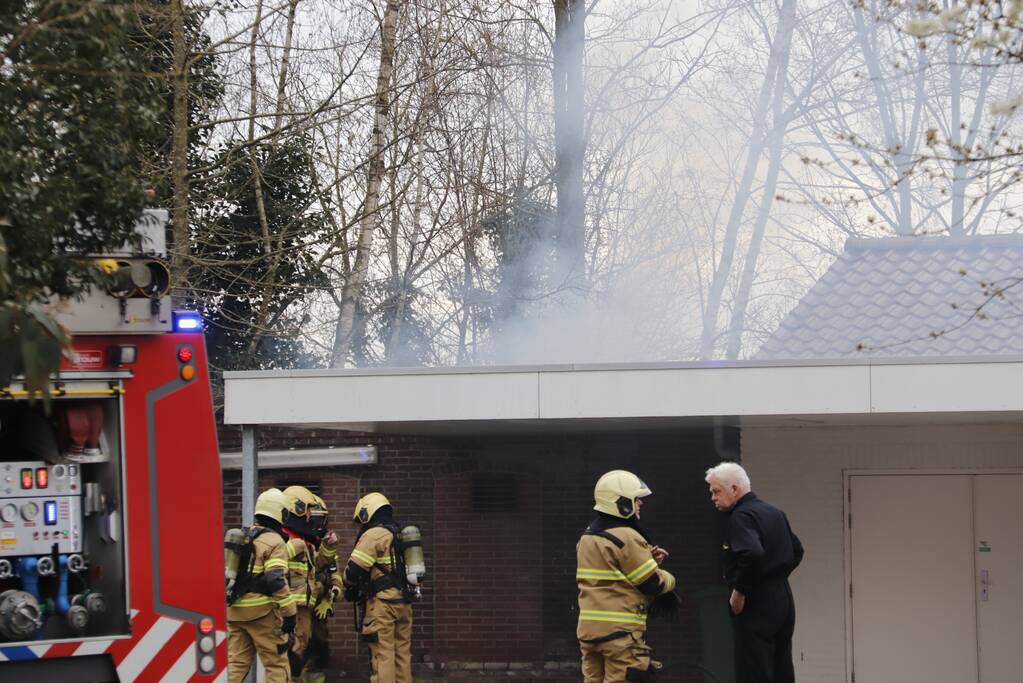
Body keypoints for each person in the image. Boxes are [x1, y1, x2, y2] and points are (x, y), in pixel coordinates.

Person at [576, 470, 679, 683]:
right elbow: (652, 583)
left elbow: (612, 574)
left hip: (589, 633)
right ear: (621, 502)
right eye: (635, 499)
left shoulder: (587, 537)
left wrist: (648, 561)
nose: (640, 503)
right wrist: (669, 579)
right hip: (621, 636)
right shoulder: (628, 536)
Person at [705, 462, 803, 683]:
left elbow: (752, 553)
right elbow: (796, 550)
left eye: (716, 491)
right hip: (783, 601)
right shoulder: (775, 512)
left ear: (735, 489)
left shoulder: (740, 517)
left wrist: (739, 591)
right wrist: (776, 575)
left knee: (753, 670)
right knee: (781, 666)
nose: (713, 498)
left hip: (756, 603)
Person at [227, 488, 297, 683]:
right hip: (261, 613)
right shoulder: (275, 541)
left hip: (234, 611)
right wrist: (290, 612)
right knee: (276, 663)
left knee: (236, 663)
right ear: (281, 513)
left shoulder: (243, 535)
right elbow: (275, 579)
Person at [341, 492, 413, 683]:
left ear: (368, 512)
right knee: (402, 654)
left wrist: (346, 585)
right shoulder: (398, 532)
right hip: (403, 602)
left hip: (383, 605)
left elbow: (353, 570)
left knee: (383, 654)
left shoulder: (374, 534)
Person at [280, 486, 331, 682]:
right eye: (310, 513)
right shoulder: (283, 539)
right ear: (297, 509)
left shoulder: (302, 540)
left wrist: (328, 549)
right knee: (286, 653)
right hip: (287, 608)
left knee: (299, 649)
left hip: (303, 607)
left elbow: (315, 569)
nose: (312, 520)